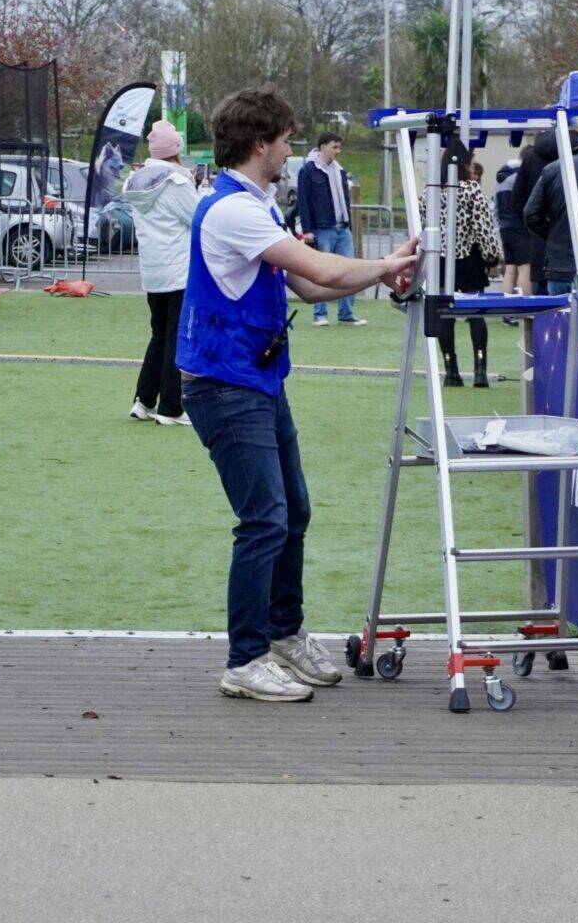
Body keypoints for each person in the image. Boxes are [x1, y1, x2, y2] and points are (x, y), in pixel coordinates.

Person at [179, 88, 417, 702]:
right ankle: (244, 659)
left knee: (293, 512)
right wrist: (389, 264)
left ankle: (283, 635)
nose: (291, 148)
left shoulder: (253, 204)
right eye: (285, 138)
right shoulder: (234, 210)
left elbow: (310, 290)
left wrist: (381, 270)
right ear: (261, 144)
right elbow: (327, 274)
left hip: (253, 379)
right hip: (224, 382)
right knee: (264, 520)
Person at [123, 119, 202, 424]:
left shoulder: (137, 182)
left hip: (153, 272)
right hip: (179, 270)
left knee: (158, 336)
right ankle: (171, 407)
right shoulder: (176, 183)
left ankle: (144, 400)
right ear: (175, 151)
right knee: (175, 338)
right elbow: (197, 219)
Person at [522, 123, 578, 295]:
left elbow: (530, 214)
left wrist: (555, 236)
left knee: (560, 320)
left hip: (558, 269)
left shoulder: (553, 169)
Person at [437, 160, 504, 388]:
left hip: (440, 258)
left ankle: (451, 371)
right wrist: (492, 257)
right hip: (469, 258)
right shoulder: (472, 189)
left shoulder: (432, 190)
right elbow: (484, 227)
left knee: (445, 313)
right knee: (476, 314)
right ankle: (480, 371)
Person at [296, 132, 366, 327]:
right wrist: (307, 229)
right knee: (321, 271)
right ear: (323, 146)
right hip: (322, 228)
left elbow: (345, 199)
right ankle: (320, 314)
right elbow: (303, 201)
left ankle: (347, 313)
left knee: (349, 271)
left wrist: (349, 226)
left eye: (338, 147)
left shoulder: (339, 171)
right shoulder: (308, 171)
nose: (338, 151)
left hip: (342, 228)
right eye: (334, 147)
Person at [510, 131, 556, 293]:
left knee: (544, 310)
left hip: (541, 246)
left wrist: (540, 229)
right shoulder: (577, 152)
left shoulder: (529, 157)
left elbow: (517, 201)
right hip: (577, 251)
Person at [494, 158, 531, 296]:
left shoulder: (500, 180)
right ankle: (526, 309)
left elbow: (496, 209)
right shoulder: (519, 178)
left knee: (510, 270)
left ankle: (507, 311)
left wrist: (502, 224)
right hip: (519, 227)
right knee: (524, 269)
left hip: (505, 228)